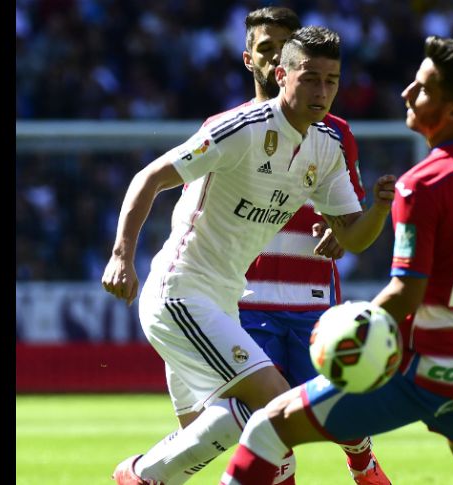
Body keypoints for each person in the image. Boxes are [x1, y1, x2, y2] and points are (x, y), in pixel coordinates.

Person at [220, 36, 453, 485]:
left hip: (419, 371)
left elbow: (407, 292)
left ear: (452, 111)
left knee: (267, 429)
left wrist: (349, 330)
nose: (406, 94)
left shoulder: (423, 184)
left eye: (421, 89)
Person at [101, 26, 396, 485]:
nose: (322, 92)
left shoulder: (328, 145)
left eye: (332, 81)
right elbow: (150, 177)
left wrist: (379, 208)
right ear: (281, 74)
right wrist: (121, 255)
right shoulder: (239, 128)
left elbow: (354, 238)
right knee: (274, 406)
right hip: (179, 292)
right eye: (310, 78)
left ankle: (146, 477)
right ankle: (143, 473)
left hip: (223, 302)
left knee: (235, 422)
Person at [235, 7, 390, 485]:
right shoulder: (230, 127)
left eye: (285, 46)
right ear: (253, 60)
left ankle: (361, 457)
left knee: (334, 407)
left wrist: (342, 231)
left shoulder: (334, 133)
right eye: (267, 48)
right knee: (265, 420)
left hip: (312, 299)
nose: (275, 56)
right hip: (247, 300)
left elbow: (349, 217)